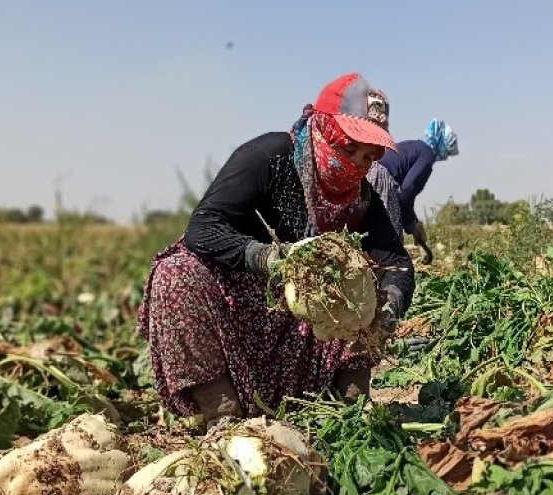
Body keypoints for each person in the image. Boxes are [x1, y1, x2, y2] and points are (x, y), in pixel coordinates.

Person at [137, 73, 413, 422]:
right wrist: (268, 258)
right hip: (241, 304)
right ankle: (222, 414)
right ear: (322, 130)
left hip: (305, 323)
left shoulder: (361, 199)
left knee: (365, 284)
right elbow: (203, 227)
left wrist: (388, 307)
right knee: (175, 275)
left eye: (369, 156)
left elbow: (396, 261)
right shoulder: (270, 157)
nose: (357, 164)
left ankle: (351, 408)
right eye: (348, 149)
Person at [369, 118, 459, 265]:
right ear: (441, 144)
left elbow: (405, 196)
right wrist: (411, 225)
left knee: (372, 232)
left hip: (369, 173)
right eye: (447, 151)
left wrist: (413, 222)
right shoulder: (427, 155)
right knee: (390, 240)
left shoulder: (416, 146)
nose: (446, 156)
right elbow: (407, 190)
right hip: (380, 179)